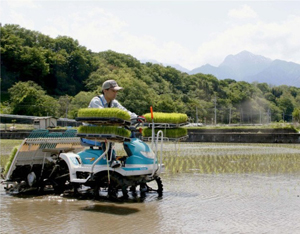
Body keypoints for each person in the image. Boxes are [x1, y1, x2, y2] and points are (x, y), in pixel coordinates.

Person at [88, 79, 144, 168]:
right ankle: (111, 160)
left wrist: (136, 117)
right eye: (113, 91)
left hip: (107, 127)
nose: (115, 93)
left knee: (130, 131)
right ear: (105, 91)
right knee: (106, 133)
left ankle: (132, 158)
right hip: (93, 129)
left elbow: (124, 111)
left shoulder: (114, 102)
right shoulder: (96, 101)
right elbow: (102, 114)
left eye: (116, 91)